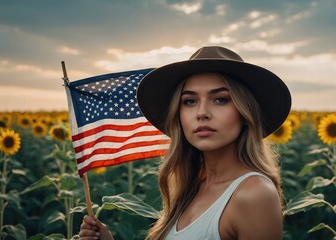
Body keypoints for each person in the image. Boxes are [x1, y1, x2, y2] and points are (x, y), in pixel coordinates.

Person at [79, 46, 291, 240]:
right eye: (189, 101)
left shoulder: (254, 194)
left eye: (220, 99)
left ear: (245, 113)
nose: (202, 113)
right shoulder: (190, 185)